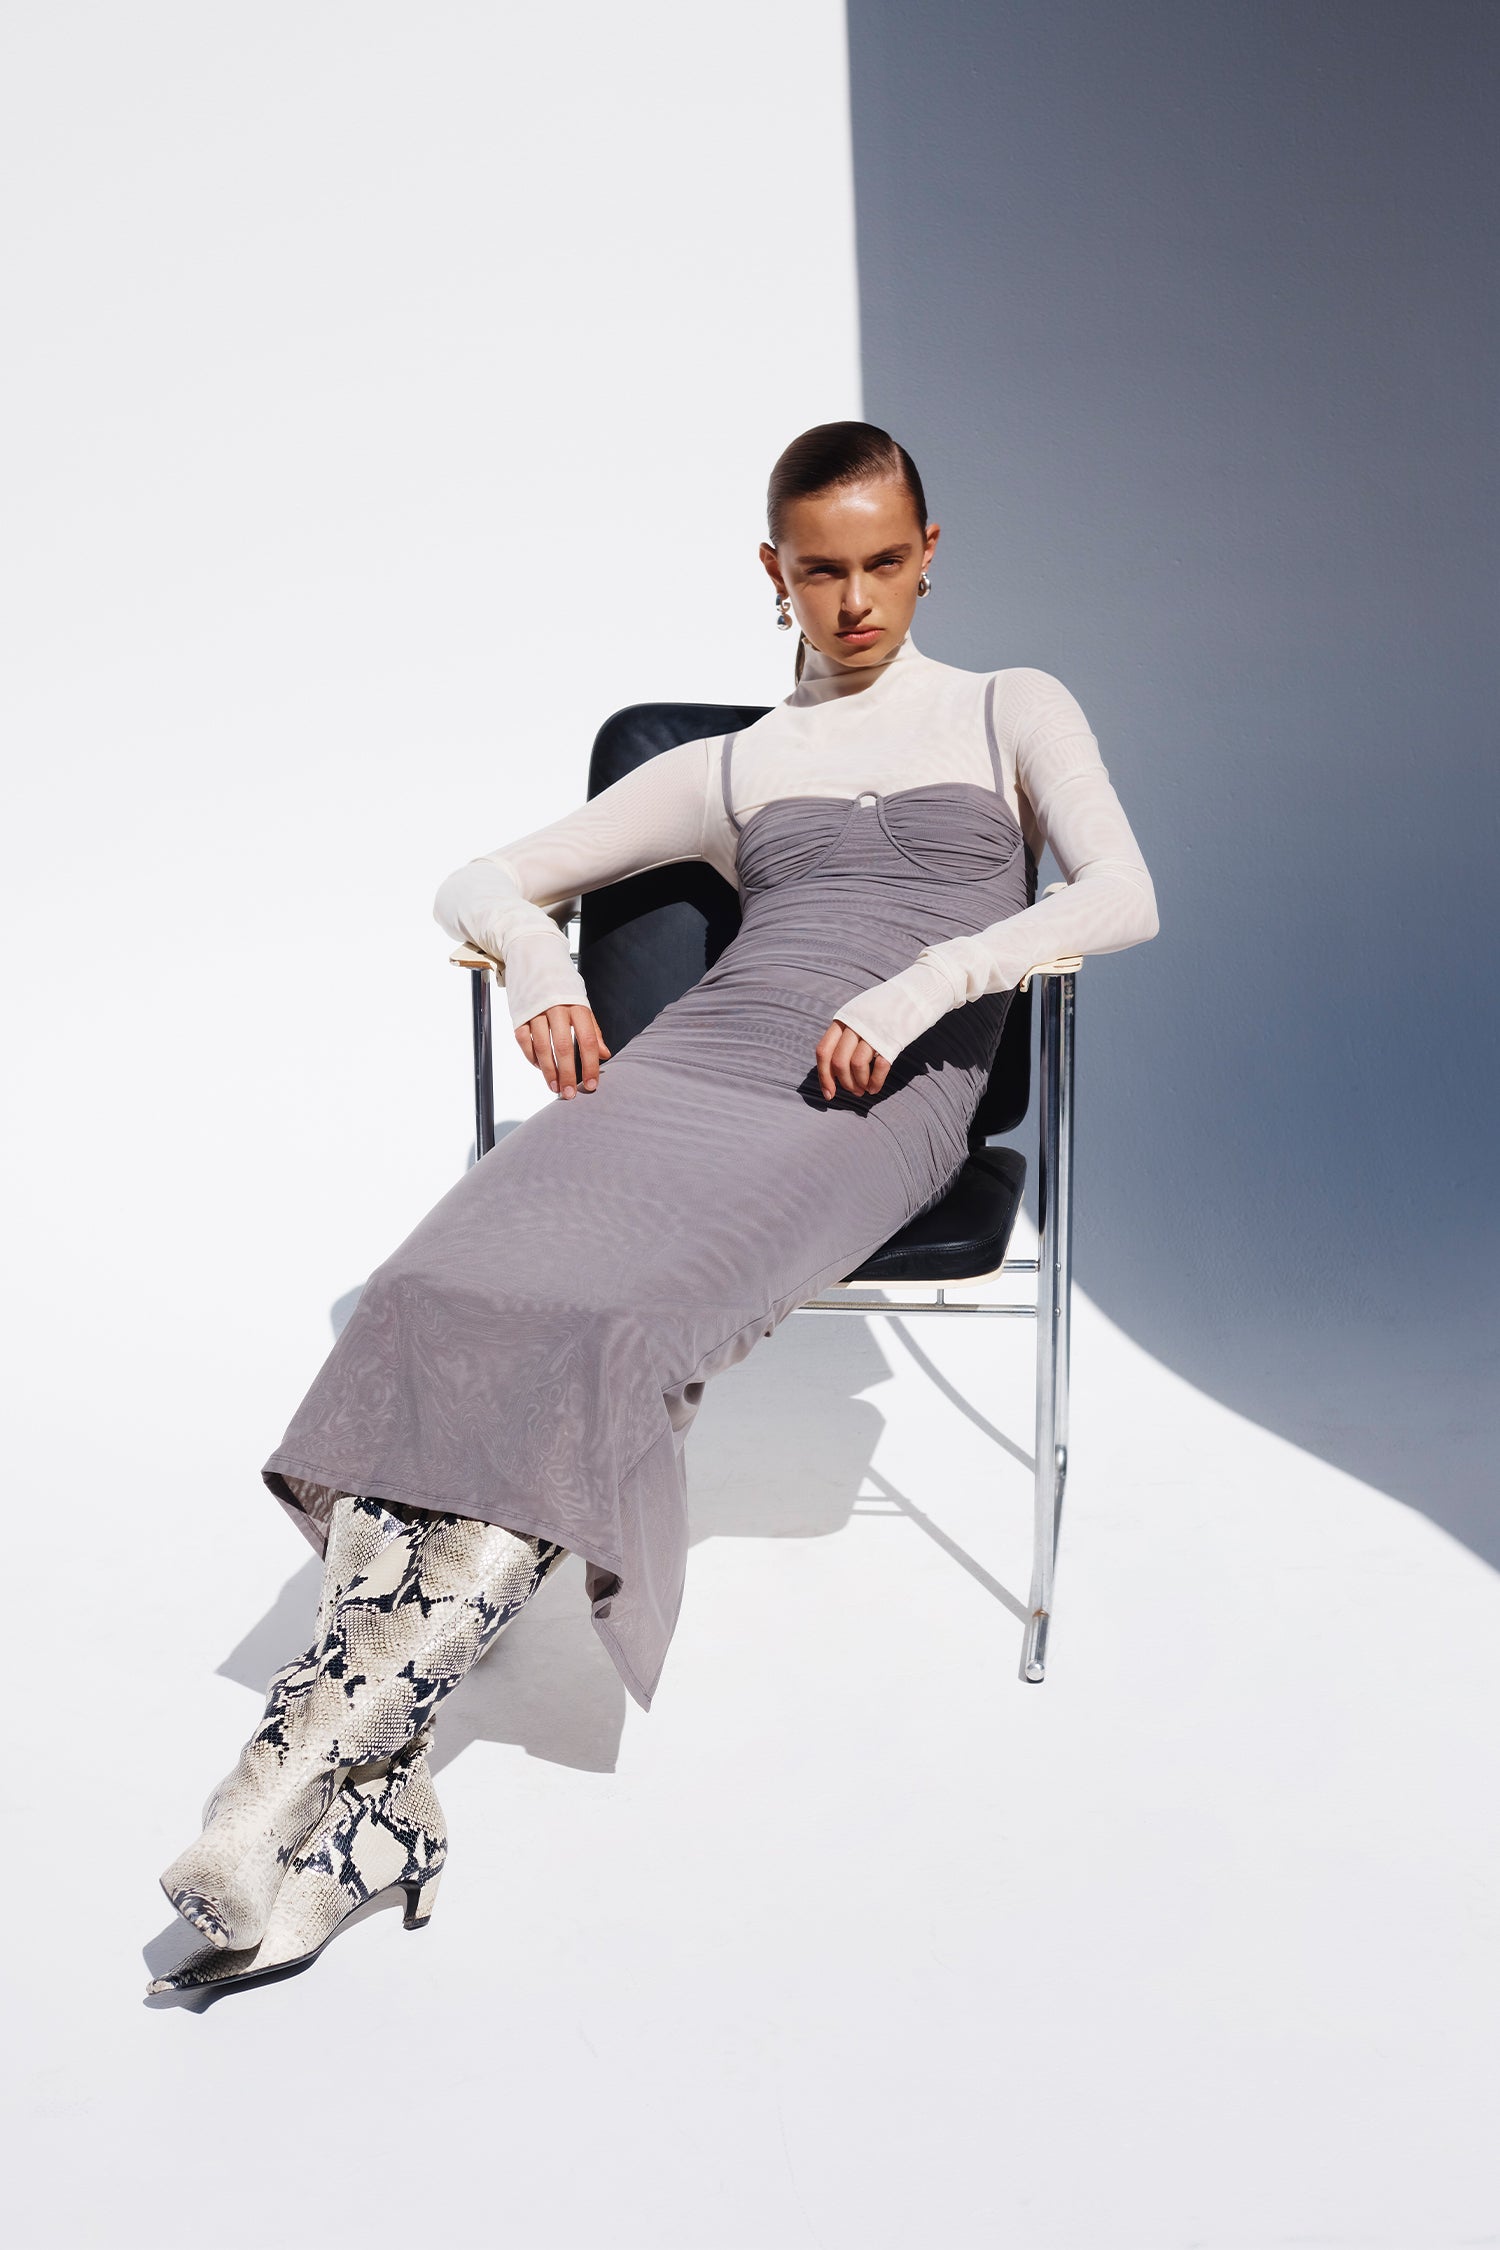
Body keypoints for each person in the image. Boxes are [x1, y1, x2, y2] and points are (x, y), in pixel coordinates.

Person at [148, 421, 1159, 1999]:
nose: (855, 601)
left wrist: (928, 985)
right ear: (773, 573)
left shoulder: (1009, 706)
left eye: (883, 563)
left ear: (929, 554)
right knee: (433, 1279)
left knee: (617, 1326)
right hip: (691, 1067)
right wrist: (539, 964)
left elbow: (1121, 894)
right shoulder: (731, 767)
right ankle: (343, 1788)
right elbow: (476, 878)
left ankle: (286, 1781)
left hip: (875, 1098)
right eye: (818, 571)